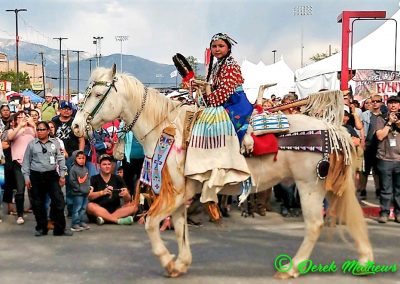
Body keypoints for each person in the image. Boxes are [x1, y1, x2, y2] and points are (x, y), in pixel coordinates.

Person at [186, 33, 252, 210]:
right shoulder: (217, 66)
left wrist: (207, 95)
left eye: (221, 46)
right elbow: (214, 90)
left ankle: (225, 166)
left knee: (214, 124)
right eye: (214, 46)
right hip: (224, 101)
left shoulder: (231, 65)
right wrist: (200, 86)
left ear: (228, 48)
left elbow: (223, 93)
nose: (217, 49)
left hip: (235, 104)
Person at [21, 121, 72, 236]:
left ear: (48, 131)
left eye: (42, 129)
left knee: (59, 201)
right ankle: (41, 228)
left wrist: (62, 175)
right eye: (38, 129)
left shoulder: (55, 143)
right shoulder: (32, 144)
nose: (40, 132)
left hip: (52, 175)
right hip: (36, 176)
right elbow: (26, 162)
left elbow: (61, 159)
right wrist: (26, 178)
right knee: (38, 204)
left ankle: (60, 229)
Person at [52, 101, 85, 216]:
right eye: (64, 108)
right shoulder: (54, 121)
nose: (66, 110)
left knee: (71, 184)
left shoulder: (75, 122)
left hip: (72, 156)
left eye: (69, 109)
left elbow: (81, 139)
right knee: (56, 183)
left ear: (72, 110)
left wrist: (79, 154)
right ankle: (57, 209)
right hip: (56, 156)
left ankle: (71, 209)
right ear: (60, 109)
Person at [87, 154, 137, 225]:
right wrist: (102, 192)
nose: (107, 166)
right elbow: (89, 196)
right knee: (90, 206)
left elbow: (128, 199)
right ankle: (117, 220)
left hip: (116, 210)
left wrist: (126, 194)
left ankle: (105, 218)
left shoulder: (118, 178)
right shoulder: (94, 179)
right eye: (104, 164)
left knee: (134, 206)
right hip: (99, 208)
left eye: (109, 164)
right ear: (99, 166)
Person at [7, 111, 36, 224]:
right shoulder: (12, 130)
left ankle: (37, 212)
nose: (21, 118)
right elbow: (10, 137)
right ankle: (20, 215)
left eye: (23, 117)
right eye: (18, 117)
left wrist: (33, 125)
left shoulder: (32, 130)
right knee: (20, 190)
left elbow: (39, 138)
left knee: (33, 190)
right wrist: (19, 126)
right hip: (18, 164)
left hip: (32, 163)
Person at [375, 96, 400, 223]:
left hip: (399, 159)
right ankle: (384, 213)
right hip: (385, 159)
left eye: (395, 103)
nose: (393, 106)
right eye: (390, 103)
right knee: (385, 188)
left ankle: (398, 213)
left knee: (399, 189)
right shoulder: (381, 118)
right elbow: (380, 136)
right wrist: (389, 123)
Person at [360, 94, 382, 199]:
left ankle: (378, 190)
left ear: (381, 102)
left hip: (380, 146)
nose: (374, 103)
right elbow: (361, 129)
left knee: (377, 170)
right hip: (367, 145)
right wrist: (362, 142)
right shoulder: (365, 115)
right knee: (365, 169)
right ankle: (363, 190)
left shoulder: (384, 115)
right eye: (373, 101)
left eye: (377, 101)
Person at [69, 150, 90, 232]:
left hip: (86, 192)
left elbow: (88, 179)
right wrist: (79, 188)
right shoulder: (73, 169)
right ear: (75, 159)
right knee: (77, 208)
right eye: (79, 158)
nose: (81, 160)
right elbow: (72, 181)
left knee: (83, 208)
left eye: (83, 158)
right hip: (78, 193)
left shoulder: (85, 168)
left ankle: (81, 221)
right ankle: (75, 223)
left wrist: (89, 187)